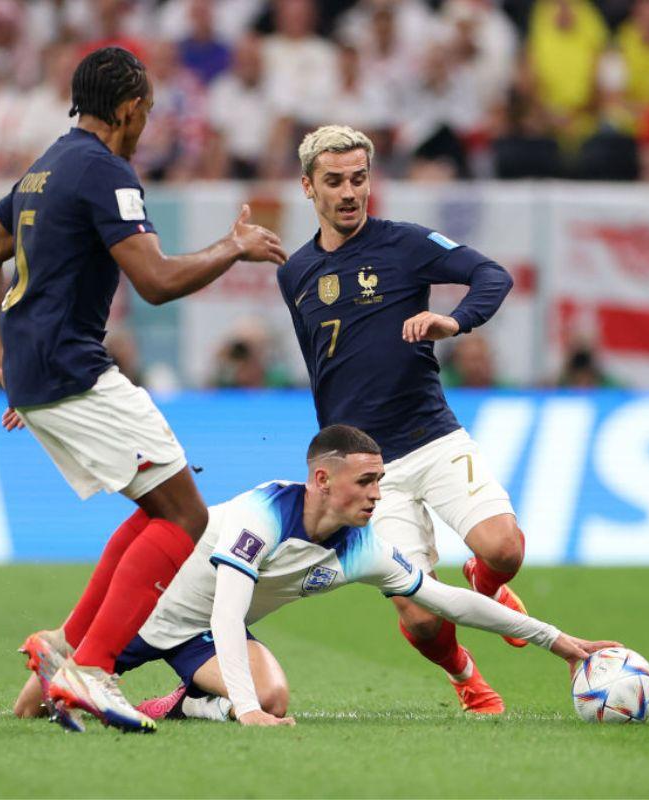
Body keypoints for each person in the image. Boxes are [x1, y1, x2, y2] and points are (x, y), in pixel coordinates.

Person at [0, 46, 286, 734]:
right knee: (186, 517)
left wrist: (4, 360)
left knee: (157, 503)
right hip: (74, 369)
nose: (149, 123)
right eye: (149, 110)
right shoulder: (107, 172)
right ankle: (95, 668)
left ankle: (68, 645)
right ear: (131, 109)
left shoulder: (47, 165)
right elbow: (158, 282)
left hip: (39, 370)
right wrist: (233, 247)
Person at [12, 425, 621, 726]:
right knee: (30, 712)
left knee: (275, 695)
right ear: (323, 480)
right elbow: (227, 609)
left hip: (198, 638)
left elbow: (449, 602)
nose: (379, 494)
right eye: (367, 481)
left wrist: (558, 642)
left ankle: (182, 703)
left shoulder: (364, 546)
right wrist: (246, 712)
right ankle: (74, 649)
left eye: (381, 480)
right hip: (149, 612)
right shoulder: (264, 514)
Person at [275, 125, 527, 716]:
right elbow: (323, 371)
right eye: (334, 181)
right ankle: (467, 679)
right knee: (417, 618)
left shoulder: (408, 243)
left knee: (505, 547)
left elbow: (494, 275)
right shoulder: (295, 274)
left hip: (431, 435)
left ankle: (485, 584)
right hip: (366, 469)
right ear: (308, 186)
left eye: (358, 179)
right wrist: (330, 463)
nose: (348, 192)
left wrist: (453, 322)